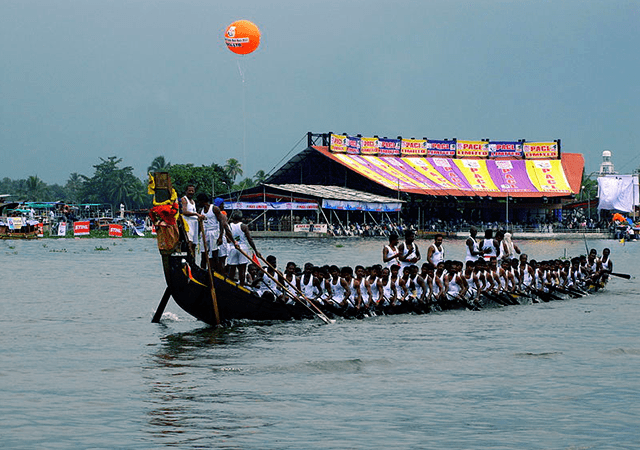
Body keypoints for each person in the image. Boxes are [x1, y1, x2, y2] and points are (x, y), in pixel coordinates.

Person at [227, 210, 261, 286]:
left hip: (233, 247)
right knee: (242, 269)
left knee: (232, 268)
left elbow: (227, 238)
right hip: (242, 248)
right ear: (241, 218)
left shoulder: (229, 226)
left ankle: (230, 284)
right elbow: (249, 239)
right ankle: (241, 285)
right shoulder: (243, 226)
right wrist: (255, 250)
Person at [196, 193, 227, 272]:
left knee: (214, 254)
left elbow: (221, 222)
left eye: (199, 201)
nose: (198, 203)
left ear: (203, 201)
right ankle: (203, 270)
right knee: (204, 254)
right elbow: (200, 225)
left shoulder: (214, 208)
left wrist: (220, 237)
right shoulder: (201, 211)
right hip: (205, 233)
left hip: (214, 233)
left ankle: (215, 271)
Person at [181, 185, 203, 255]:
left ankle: (193, 260)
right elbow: (184, 212)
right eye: (189, 190)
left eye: (192, 191)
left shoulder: (193, 201)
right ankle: (189, 259)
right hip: (188, 223)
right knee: (189, 243)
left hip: (195, 224)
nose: (191, 192)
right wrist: (196, 214)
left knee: (194, 244)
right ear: (186, 191)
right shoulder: (184, 199)